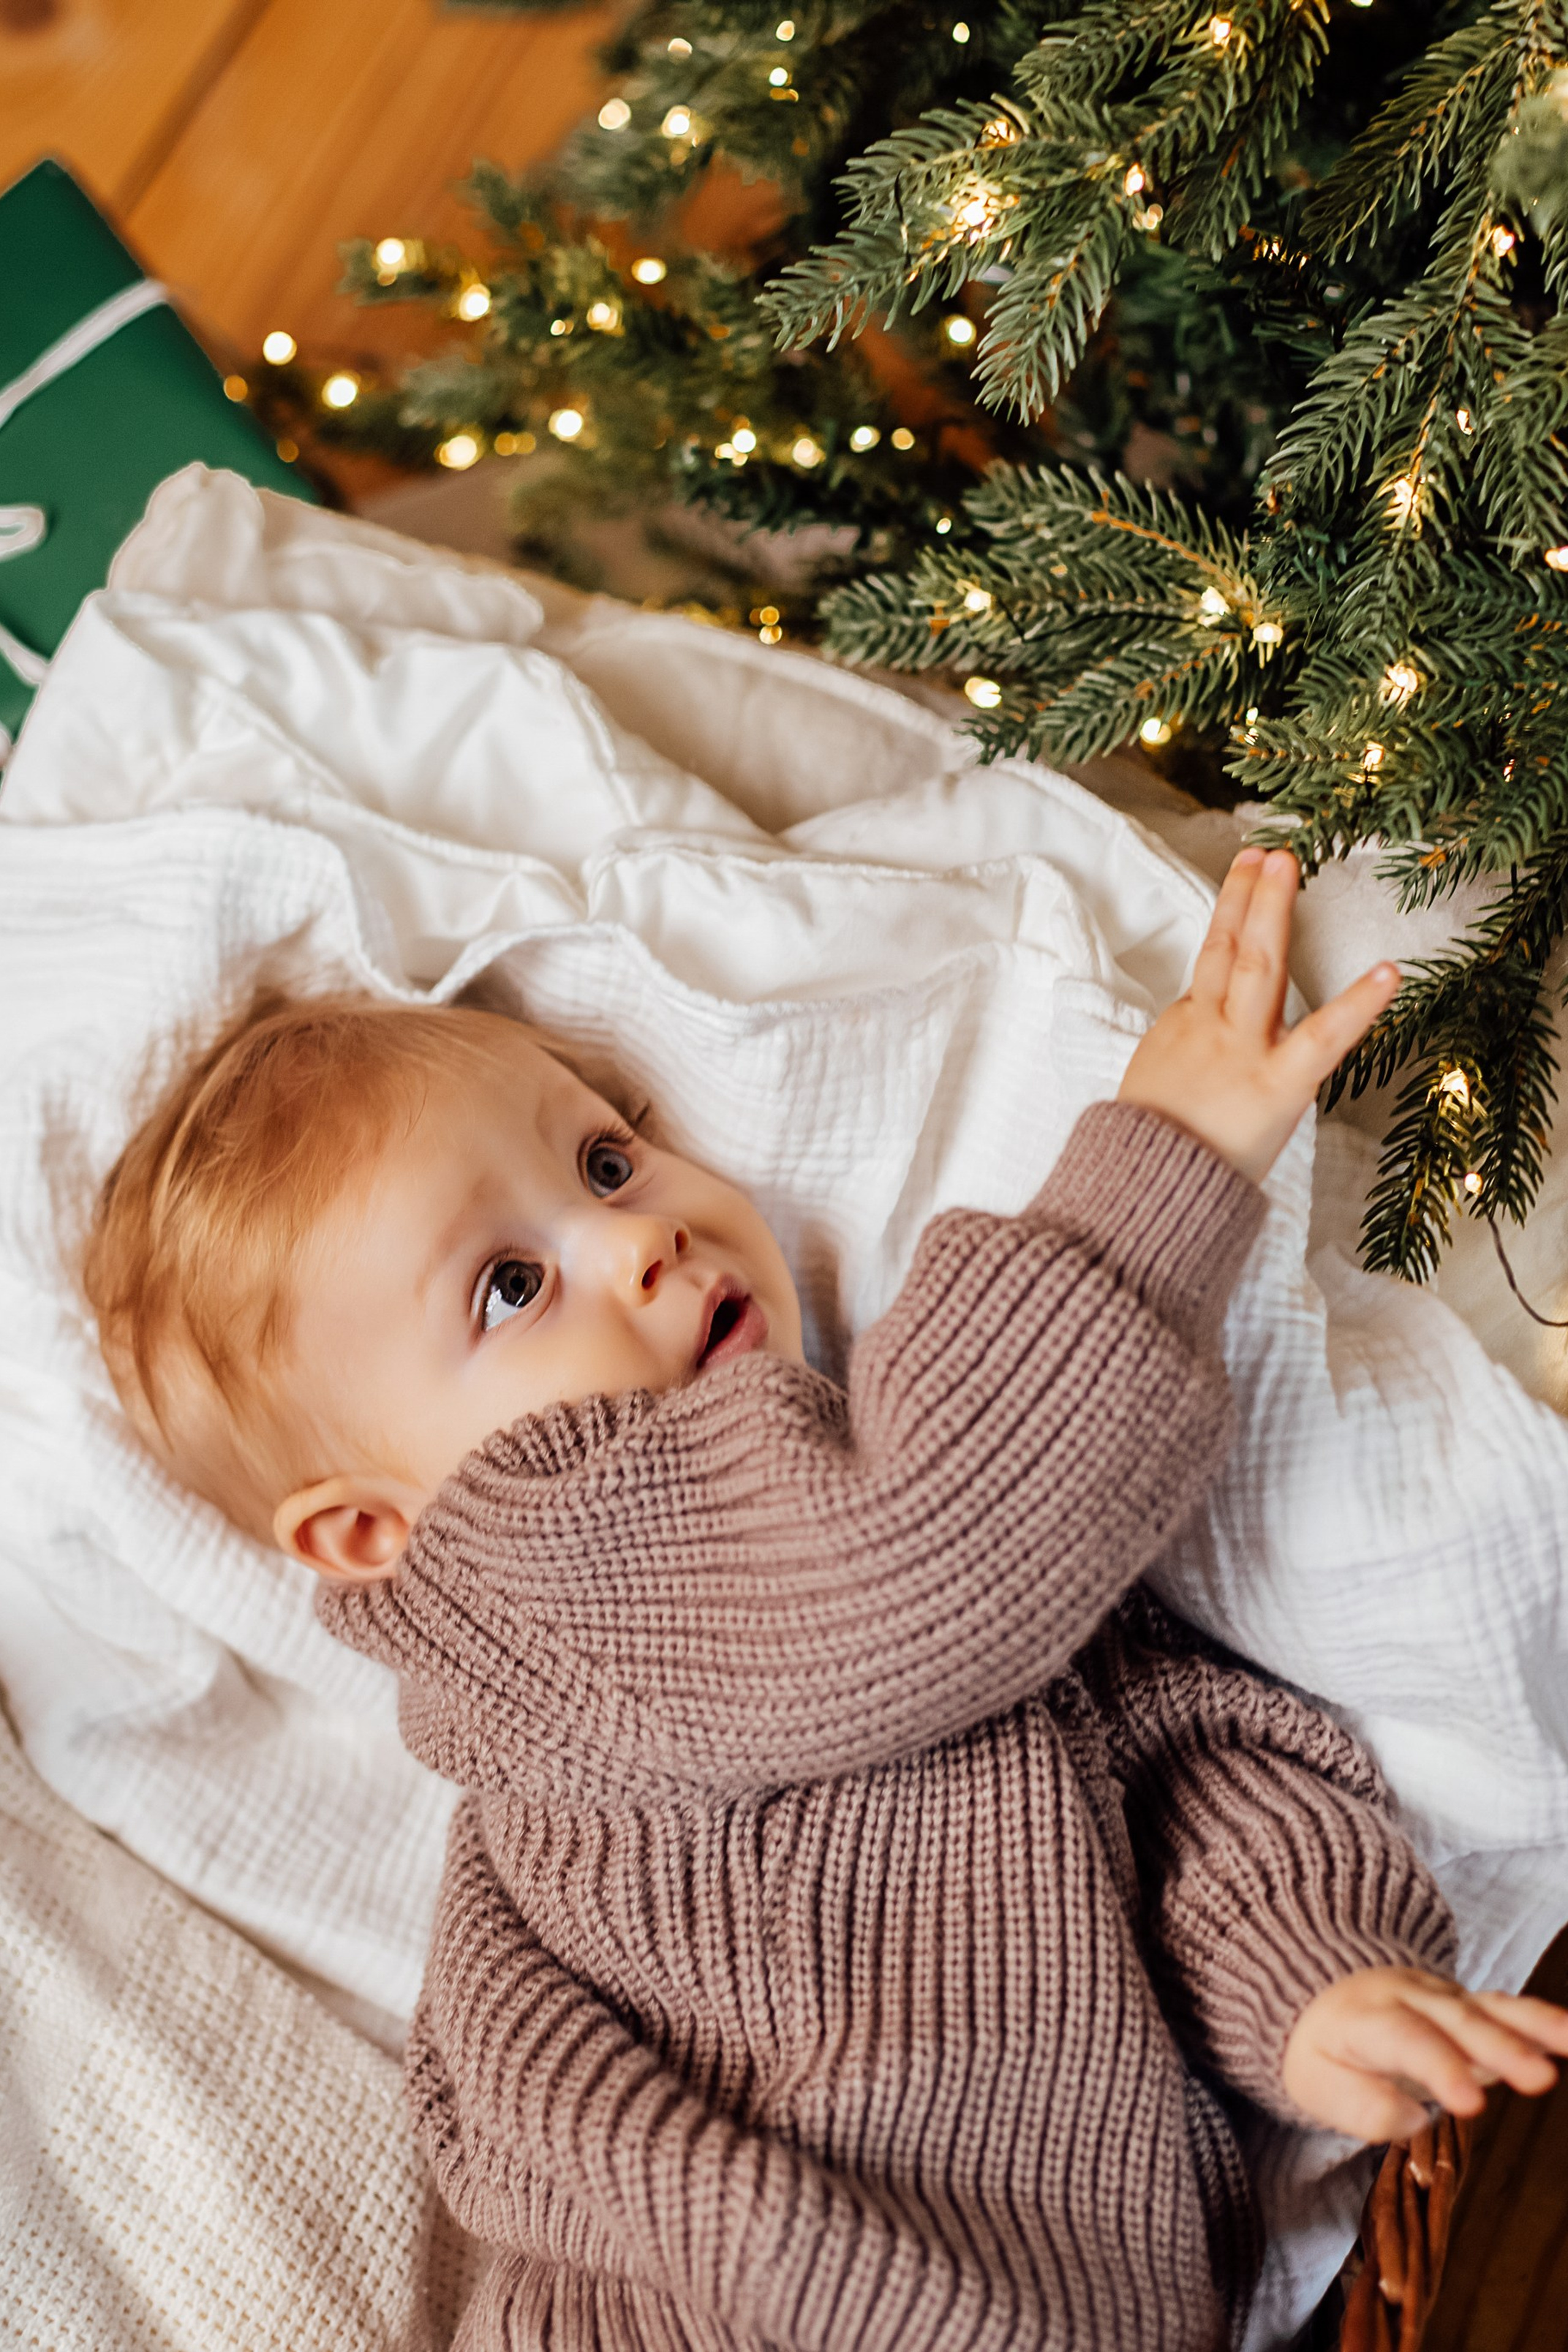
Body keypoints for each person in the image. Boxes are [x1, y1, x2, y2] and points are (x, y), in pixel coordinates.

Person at [84, 847, 1568, 2350]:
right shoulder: (556, 1576)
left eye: (605, 1162)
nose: (638, 1240)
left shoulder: (861, 1558)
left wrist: (1309, 1984)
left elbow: (1178, 1765)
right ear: (372, 1531)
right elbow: (931, 1535)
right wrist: (1158, 1169)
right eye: (509, 1288)